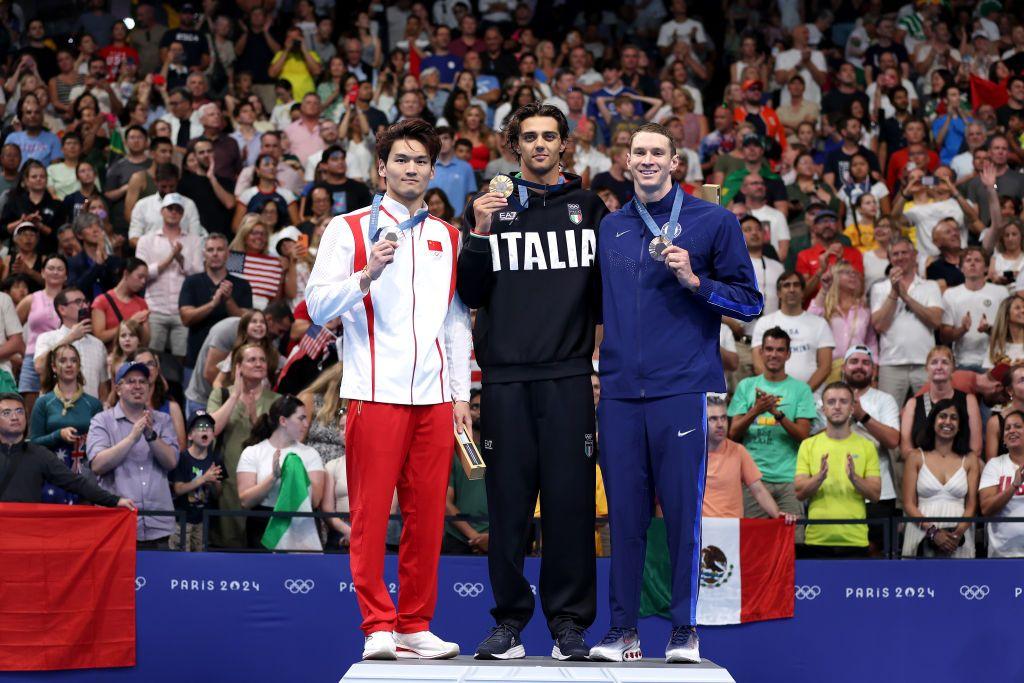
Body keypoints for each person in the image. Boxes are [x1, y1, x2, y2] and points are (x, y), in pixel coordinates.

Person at [589, 122, 760, 664]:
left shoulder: (714, 222)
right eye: (638, 151)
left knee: (684, 513)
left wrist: (696, 282)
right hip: (618, 392)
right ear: (626, 160)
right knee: (625, 518)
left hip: (682, 389)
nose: (646, 160)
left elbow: (750, 303)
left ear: (674, 161)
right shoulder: (610, 228)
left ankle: (685, 629)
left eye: (656, 152)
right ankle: (622, 633)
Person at [306, 118, 470, 661]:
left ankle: (415, 624)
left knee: (427, 517)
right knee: (371, 515)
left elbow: (455, 322)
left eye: (420, 161)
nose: (410, 169)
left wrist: (461, 395)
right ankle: (377, 623)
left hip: (434, 399)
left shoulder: (448, 235)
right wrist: (366, 274)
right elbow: (317, 308)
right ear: (381, 168)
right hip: (373, 393)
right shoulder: (346, 229)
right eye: (401, 159)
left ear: (431, 169)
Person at [457, 103, 606, 662]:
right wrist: (478, 231)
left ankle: (569, 623)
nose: (540, 145)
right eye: (529, 138)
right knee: (508, 507)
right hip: (504, 380)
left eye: (550, 136)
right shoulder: (490, 206)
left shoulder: (589, 207)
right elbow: (470, 294)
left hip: (568, 377)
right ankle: (509, 623)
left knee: (570, 506)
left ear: (565, 145)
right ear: (513, 147)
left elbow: (604, 296)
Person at [86, 361, 180, 547]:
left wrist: (151, 435)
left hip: (159, 524)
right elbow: (97, 465)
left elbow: (171, 462)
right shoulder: (102, 421)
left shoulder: (163, 420)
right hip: (117, 525)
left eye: (142, 381)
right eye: (130, 381)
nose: (137, 386)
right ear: (118, 388)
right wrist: (132, 438)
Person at [728, 327, 815, 522]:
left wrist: (777, 414)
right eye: (769, 349)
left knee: (791, 545)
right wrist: (756, 410)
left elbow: (803, 436)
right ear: (761, 352)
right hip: (753, 479)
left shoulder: (801, 390)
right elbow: (732, 434)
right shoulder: (746, 386)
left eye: (779, 350)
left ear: (788, 354)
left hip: (789, 479)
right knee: (754, 546)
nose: (773, 354)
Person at [0, 392, 132, 508]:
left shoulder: (39, 455)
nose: (15, 417)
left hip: (28, 531)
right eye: (6, 413)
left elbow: (75, 483)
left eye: (19, 411)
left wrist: (115, 501)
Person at [794, 381, 881, 558]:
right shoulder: (808, 445)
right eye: (831, 402)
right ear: (823, 408)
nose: (837, 406)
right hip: (817, 540)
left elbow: (875, 495)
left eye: (843, 401)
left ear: (852, 408)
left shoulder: (867, 446)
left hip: (855, 540)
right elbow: (800, 493)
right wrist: (819, 477)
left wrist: (854, 478)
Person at [207, 344, 280, 548]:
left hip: (264, 481)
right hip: (229, 479)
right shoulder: (220, 395)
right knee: (227, 544)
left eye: (262, 359)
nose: (259, 363)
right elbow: (210, 430)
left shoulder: (277, 400)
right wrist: (234, 397)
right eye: (252, 360)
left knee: (259, 544)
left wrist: (254, 415)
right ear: (238, 367)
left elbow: (279, 439)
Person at [237, 394, 325, 550]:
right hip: (262, 527)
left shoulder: (310, 454)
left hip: (300, 523)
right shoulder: (252, 452)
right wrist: (273, 478)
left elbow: (315, 500)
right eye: (301, 418)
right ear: (283, 421)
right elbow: (245, 500)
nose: (306, 424)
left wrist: (294, 471)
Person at [901, 398, 979, 558]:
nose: (947, 421)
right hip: (920, 530)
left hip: (959, 535)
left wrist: (957, 535)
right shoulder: (915, 456)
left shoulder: (970, 458)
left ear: (960, 425)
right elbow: (908, 504)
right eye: (943, 416)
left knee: (960, 581)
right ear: (933, 421)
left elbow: (971, 505)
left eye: (954, 418)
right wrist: (933, 532)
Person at [28, 343, 104, 504]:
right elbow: (33, 443)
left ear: (78, 366)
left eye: (73, 360)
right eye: (63, 360)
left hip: (85, 476)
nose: (69, 365)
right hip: (52, 475)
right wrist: (58, 435)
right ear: (54, 367)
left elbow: (103, 445)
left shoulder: (94, 404)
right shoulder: (43, 403)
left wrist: (90, 439)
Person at [870, 238, 943, 404]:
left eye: (904, 252)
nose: (900, 257)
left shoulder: (930, 286)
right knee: (889, 418)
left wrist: (906, 297)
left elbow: (936, 321)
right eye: (895, 254)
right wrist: (894, 294)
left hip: (925, 363)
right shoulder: (879, 288)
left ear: (914, 255)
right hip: (891, 364)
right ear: (889, 259)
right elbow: (879, 325)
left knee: (929, 415)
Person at [135, 193, 204, 362]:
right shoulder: (146, 240)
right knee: (151, 357)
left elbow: (199, 275)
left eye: (178, 209)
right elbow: (141, 274)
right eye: (170, 208)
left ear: (183, 214)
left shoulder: (195, 241)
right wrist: (170, 258)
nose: (174, 212)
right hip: (155, 308)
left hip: (183, 310)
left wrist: (181, 260)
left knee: (181, 360)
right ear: (162, 211)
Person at [703, 394, 794, 521]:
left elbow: (759, 490)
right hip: (700, 530)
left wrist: (777, 515)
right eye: (713, 419)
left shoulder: (738, 451)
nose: (720, 424)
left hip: (732, 531)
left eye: (723, 418)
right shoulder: (689, 455)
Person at [178, 233, 253, 381]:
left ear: (227, 254)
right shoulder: (191, 282)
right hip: (195, 361)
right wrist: (213, 304)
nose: (215, 254)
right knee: (194, 404)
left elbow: (246, 322)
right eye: (210, 250)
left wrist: (228, 300)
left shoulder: (242, 284)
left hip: (231, 364)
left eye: (219, 249)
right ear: (204, 254)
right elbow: (186, 318)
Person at [752, 271, 835, 391]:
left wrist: (801, 394)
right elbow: (758, 364)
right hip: (772, 396)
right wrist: (776, 391)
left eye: (796, 285)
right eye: (786, 285)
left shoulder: (820, 323)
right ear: (778, 293)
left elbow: (825, 367)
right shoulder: (764, 323)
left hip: (811, 397)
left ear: (803, 292)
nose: (792, 289)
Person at [900, 346, 983, 464]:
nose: (939, 367)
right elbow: (905, 450)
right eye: (934, 362)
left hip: (961, 467)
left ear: (953, 368)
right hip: (923, 468)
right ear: (926, 368)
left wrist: (950, 468)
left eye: (945, 362)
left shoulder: (969, 400)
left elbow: (976, 448)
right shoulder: (912, 403)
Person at [33, 287, 109, 402]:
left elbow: (103, 387)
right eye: (79, 302)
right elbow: (39, 367)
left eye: (86, 302)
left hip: (90, 412)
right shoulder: (47, 338)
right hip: (56, 411)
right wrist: (71, 338)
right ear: (62, 309)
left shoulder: (98, 344)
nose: (85, 306)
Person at [940, 247, 1008, 370]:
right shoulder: (950, 294)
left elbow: (1009, 332)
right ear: (961, 268)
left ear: (986, 268)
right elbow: (944, 337)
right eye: (968, 260)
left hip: (995, 362)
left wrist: (988, 329)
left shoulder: (1001, 292)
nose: (972, 263)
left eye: (977, 260)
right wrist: (962, 329)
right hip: (962, 363)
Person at [808, 262, 876, 382]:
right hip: (828, 369)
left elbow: (871, 342)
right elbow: (810, 319)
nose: (853, 276)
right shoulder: (826, 305)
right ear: (834, 277)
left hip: (858, 369)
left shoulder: (863, 309)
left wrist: (874, 367)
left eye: (855, 273)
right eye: (846, 272)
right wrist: (824, 290)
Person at [16, 255, 66, 414]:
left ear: (66, 275)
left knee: (61, 409)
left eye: (60, 269)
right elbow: (11, 330)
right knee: (30, 414)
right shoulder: (31, 299)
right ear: (43, 272)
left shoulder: (73, 300)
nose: (55, 272)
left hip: (64, 358)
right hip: (33, 358)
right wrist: (22, 351)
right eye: (51, 268)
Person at [444, 388, 489, 554]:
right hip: (459, 539)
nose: (479, 412)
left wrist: (492, 537)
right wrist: (474, 536)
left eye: (485, 407)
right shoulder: (454, 451)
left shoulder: (504, 452)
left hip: (499, 537)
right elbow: (445, 502)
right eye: (475, 407)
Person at [980, 410, 1024, 558]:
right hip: (1002, 556)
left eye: (1017, 426)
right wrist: (1013, 487)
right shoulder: (995, 465)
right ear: (1003, 440)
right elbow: (986, 509)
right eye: (1007, 428)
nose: (1012, 430)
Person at [90, 257, 150, 347]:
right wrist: (131, 322)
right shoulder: (102, 301)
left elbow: (146, 341)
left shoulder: (141, 303)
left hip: (133, 357)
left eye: (145, 278)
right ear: (126, 274)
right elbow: (99, 337)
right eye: (140, 276)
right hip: (110, 357)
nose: (143, 282)